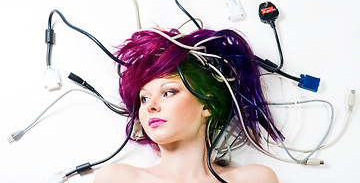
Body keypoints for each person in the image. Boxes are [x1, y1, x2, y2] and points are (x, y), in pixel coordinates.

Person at [93, 27, 282, 183]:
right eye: (144, 98)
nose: (151, 105)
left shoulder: (254, 179)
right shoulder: (116, 178)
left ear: (207, 106)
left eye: (168, 92)